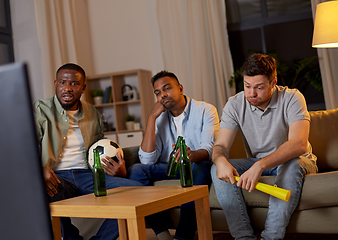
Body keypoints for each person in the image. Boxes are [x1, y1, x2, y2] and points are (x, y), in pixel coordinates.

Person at [211, 53, 318, 240]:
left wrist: (259, 166)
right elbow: (221, 145)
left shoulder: (292, 97)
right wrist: (220, 159)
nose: (251, 94)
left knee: (292, 164)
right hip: (258, 162)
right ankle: (244, 238)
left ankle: (271, 237)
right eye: (247, 86)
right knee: (216, 169)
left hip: (298, 162)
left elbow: (298, 144)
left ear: (273, 82)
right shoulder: (235, 104)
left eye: (259, 87)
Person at [34, 63, 143, 240]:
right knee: (47, 194)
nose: (67, 88)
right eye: (63, 82)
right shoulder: (40, 110)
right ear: (56, 84)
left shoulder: (92, 113)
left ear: (83, 88)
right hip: (57, 177)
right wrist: (39, 170)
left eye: (74, 84)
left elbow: (102, 147)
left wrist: (118, 169)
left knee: (138, 191)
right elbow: (25, 146)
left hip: (89, 175)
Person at [128, 70, 220, 240]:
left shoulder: (205, 110)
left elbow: (209, 149)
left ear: (180, 88)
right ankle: (162, 232)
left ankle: (182, 236)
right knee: (136, 170)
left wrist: (191, 155)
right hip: (170, 167)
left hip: (196, 165)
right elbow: (147, 160)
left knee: (200, 168)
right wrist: (151, 118)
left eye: (167, 88)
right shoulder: (159, 118)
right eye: (157, 93)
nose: (163, 95)